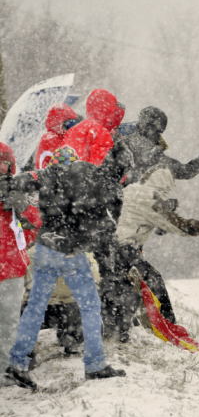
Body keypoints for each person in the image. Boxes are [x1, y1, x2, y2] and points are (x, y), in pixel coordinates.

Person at [1, 143, 133, 390]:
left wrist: (9, 181)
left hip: (44, 248)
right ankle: (95, 365)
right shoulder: (87, 171)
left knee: (35, 306)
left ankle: (17, 362)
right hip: (69, 250)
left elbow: (25, 179)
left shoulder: (46, 173)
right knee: (90, 305)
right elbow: (104, 220)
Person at [102, 164, 199, 339]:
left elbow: (134, 219)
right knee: (153, 283)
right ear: (163, 185)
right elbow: (182, 226)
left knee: (122, 286)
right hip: (124, 250)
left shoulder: (130, 189)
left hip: (107, 248)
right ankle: (167, 328)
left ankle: (119, 328)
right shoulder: (150, 198)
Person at [0, 143, 42, 388]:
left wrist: (21, 206)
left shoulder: (16, 190)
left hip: (11, 268)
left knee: (8, 323)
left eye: (4, 161)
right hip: (11, 266)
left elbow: (37, 226)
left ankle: (5, 371)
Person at [119, 106, 199, 186]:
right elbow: (185, 171)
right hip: (128, 205)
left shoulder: (119, 134)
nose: (159, 137)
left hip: (110, 201)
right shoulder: (149, 152)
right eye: (158, 131)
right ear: (147, 126)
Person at [61, 89, 125, 166]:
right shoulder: (101, 133)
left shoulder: (72, 130)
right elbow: (101, 170)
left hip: (70, 176)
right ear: (109, 110)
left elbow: (62, 162)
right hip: (87, 176)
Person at [35, 103, 82, 169]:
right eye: (68, 124)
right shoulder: (50, 140)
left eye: (74, 123)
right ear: (57, 124)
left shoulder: (70, 138)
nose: (72, 128)